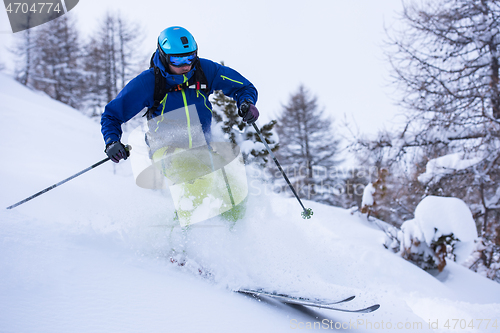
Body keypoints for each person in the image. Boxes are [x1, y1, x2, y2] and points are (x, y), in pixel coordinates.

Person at [100, 26, 259, 224]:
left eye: (190, 57)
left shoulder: (204, 70)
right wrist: (112, 141)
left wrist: (246, 103)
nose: (185, 65)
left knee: (235, 192)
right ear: (164, 56)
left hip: (202, 147)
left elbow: (243, 86)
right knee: (199, 180)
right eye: (177, 60)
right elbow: (111, 115)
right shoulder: (149, 82)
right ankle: (178, 247)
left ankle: (232, 243)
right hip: (167, 148)